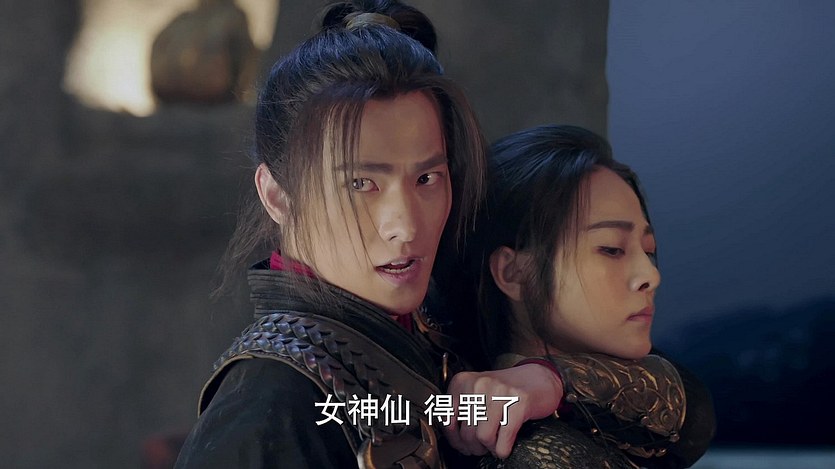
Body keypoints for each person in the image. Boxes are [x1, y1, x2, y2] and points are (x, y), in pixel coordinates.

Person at [174, 1, 489, 467]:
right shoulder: (268, 410)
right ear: (278, 196)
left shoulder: (436, 325)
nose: (405, 225)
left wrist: (545, 380)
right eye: (360, 184)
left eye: (427, 179)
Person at [452, 124, 715, 468]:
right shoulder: (531, 451)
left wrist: (553, 378)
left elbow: (692, 408)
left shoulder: (629, 406)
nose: (651, 276)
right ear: (513, 272)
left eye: (648, 250)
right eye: (612, 249)